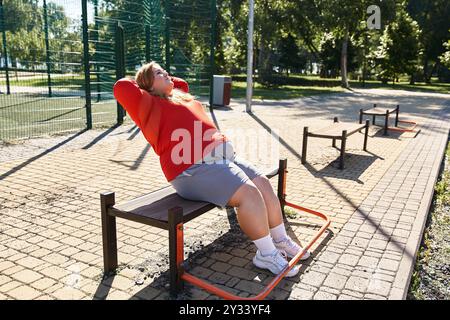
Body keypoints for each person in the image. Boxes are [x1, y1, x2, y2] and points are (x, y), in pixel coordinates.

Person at [113, 61, 311, 278]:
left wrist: (161, 79)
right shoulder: (146, 103)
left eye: (164, 70)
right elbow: (121, 87)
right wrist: (145, 80)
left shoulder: (180, 97)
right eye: (159, 73)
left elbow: (183, 84)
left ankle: (281, 240)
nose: (167, 73)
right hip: (191, 169)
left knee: (262, 183)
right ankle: (266, 254)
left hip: (221, 160)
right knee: (249, 195)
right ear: (147, 85)